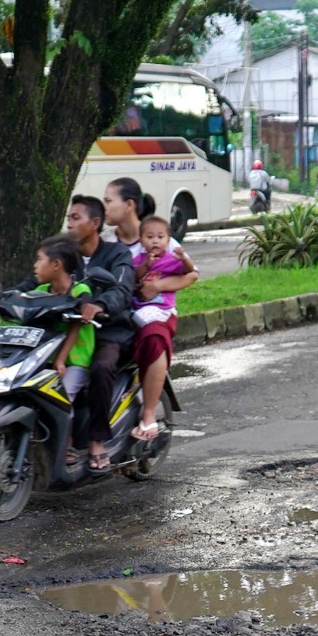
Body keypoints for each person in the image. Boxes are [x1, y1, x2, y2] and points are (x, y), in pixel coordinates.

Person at [2, 195, 136, 471]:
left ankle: (97, 439)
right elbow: (32, 283)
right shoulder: (64, 254)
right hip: (63, 331)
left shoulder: (116, 254)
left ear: (95, 223)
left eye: (76, 218)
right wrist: (4, 298)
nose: (70, 223)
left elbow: (122, 288)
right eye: (69, 218)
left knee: (100, 368)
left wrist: (99, 305)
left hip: (107, 330)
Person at [103, 178, 195, 448]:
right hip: (117, 313)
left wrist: (157, 286)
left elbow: (192, 274)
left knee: (154, 338)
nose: (105, 206)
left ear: (129, 205)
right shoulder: (106, 241)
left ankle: (148, 416)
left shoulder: (161, 238)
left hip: (156, 312)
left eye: (109, 201)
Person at [28, 236, 95, 401]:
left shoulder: (80, 291)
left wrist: (60, 360)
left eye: (39, 260)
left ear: (56, 264)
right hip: (45, 357)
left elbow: (75, 326)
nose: (35, 266)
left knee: (60, 398)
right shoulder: (41, 291)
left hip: (74, 361)